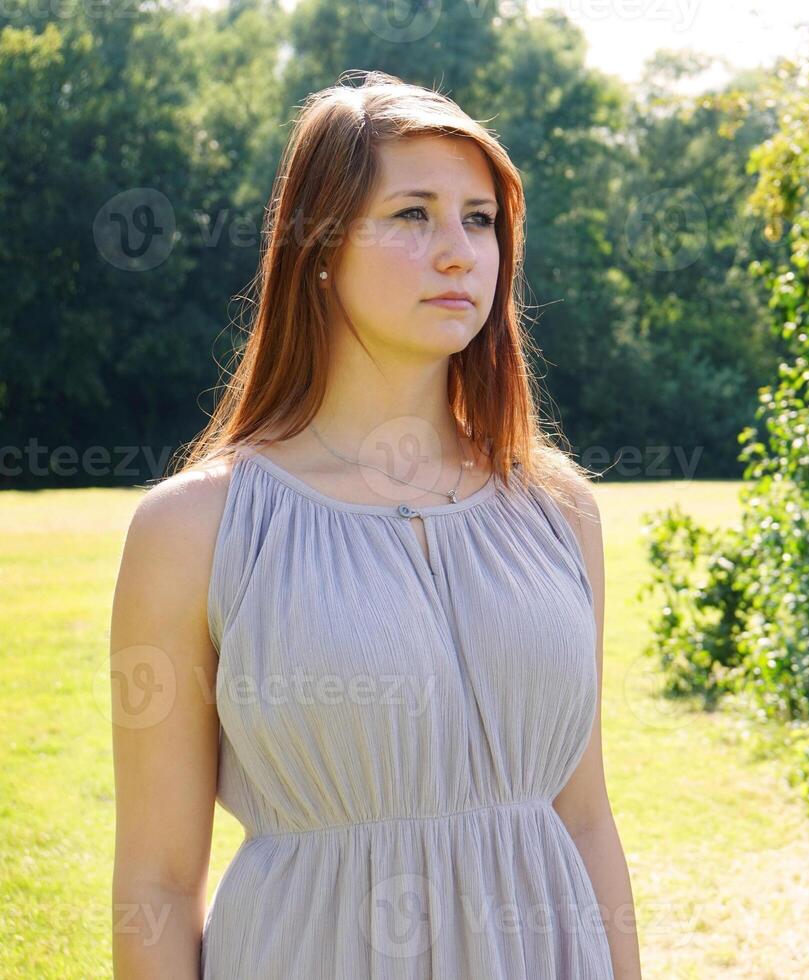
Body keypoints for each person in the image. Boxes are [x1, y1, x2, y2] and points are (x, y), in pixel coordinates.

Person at [109, 69, 640, 979]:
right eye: (412, 214)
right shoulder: (195, 528)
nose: (459, 252)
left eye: (480, 219)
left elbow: (581, 814)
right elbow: (156, 884)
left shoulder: (556, 509)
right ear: (318, 247)